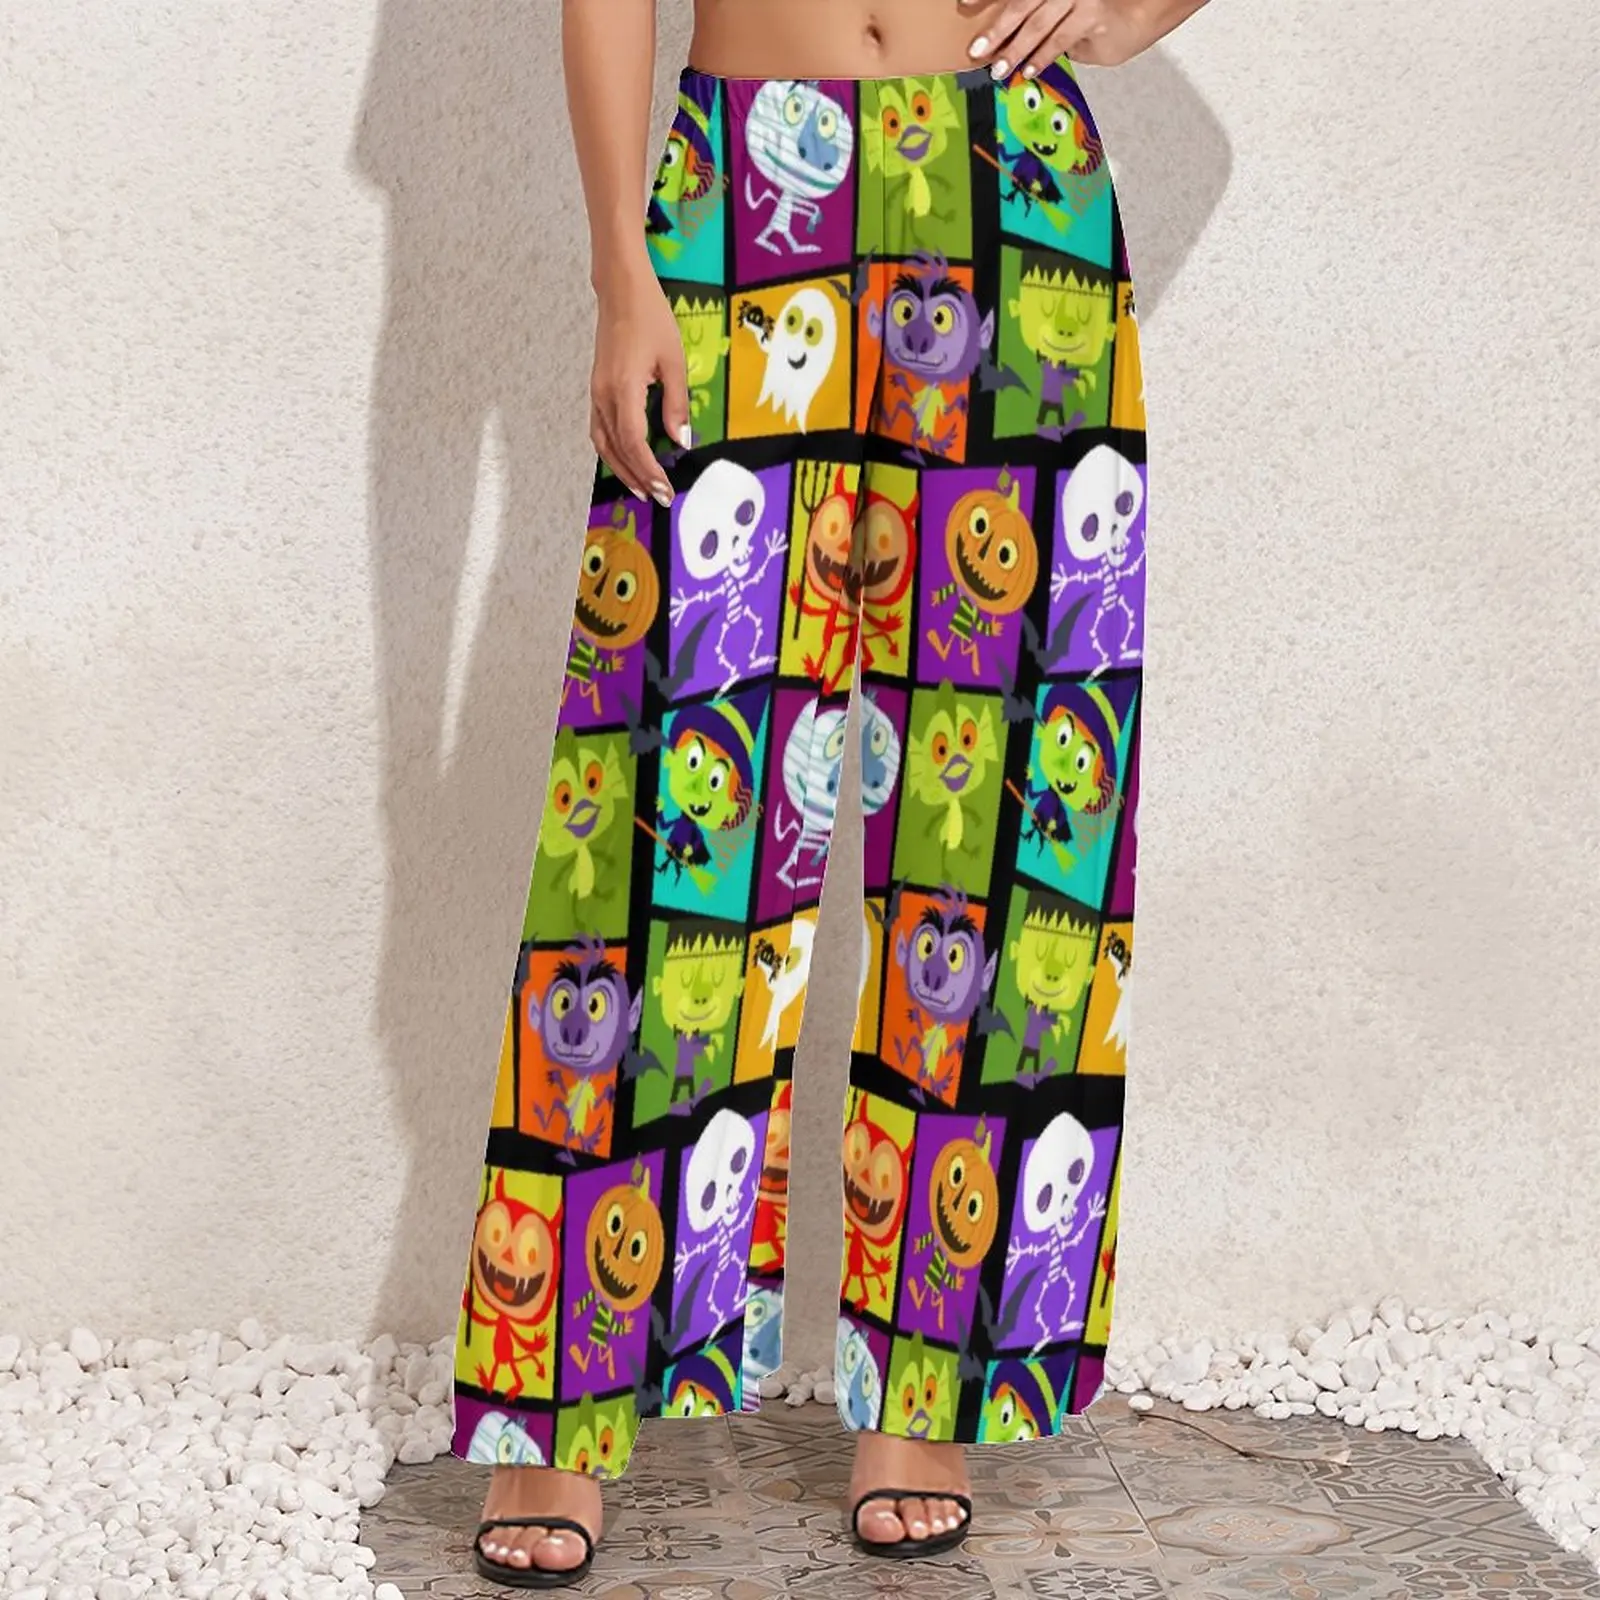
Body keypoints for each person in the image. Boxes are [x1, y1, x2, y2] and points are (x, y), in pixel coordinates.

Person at [449, 0, 1205, 1585]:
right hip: (739, 186)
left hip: (1010, 190)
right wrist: (621, 272)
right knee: (655, 812)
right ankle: (565, 1397)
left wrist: (1132, 12)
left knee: (1002, 820)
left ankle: (928, 1396)